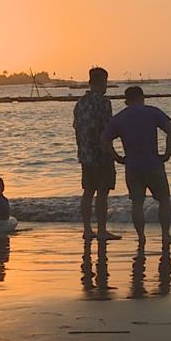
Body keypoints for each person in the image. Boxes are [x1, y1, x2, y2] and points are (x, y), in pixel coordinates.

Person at [102, 86, 171, 248]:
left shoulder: (120, 118)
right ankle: (165, 235)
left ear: (126, 101)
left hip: (132, 165)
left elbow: (105, 140)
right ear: (142, 97)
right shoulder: (153, 112)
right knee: (164, 199)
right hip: (153, 163)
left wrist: (116, 157)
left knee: (137, 203)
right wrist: (167, 153)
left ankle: (141, 237)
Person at [73, 67, 120, 241]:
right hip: (101, 153)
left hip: (85, 153)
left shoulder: (80, 103)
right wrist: (114, 152)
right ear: (102, 82)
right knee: (102, 192)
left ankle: (87, 229)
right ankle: (101, 230)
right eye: (106, 82)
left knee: (88, 191)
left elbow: (77, 128)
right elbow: (108, 128)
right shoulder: (103, 102)